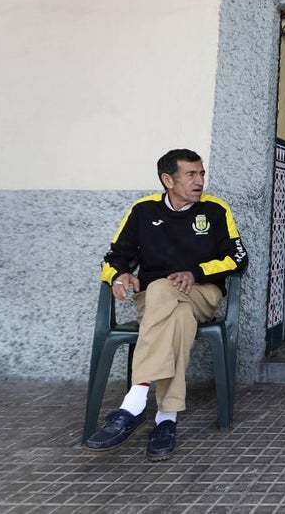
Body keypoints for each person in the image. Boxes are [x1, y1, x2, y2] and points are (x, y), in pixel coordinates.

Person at [84, 148, 248, 461]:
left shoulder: (215, 210)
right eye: (191, 174)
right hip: (157, 302)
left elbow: (238, 259)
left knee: (169, 293)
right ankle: (166, 419)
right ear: (167, 180)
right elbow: (114, 257)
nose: (200, 181)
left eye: (201, 173)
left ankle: (134, 402)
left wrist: (196, 272)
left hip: (202, 294)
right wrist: (119, 276)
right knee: (177, 314)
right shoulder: (143, 211)